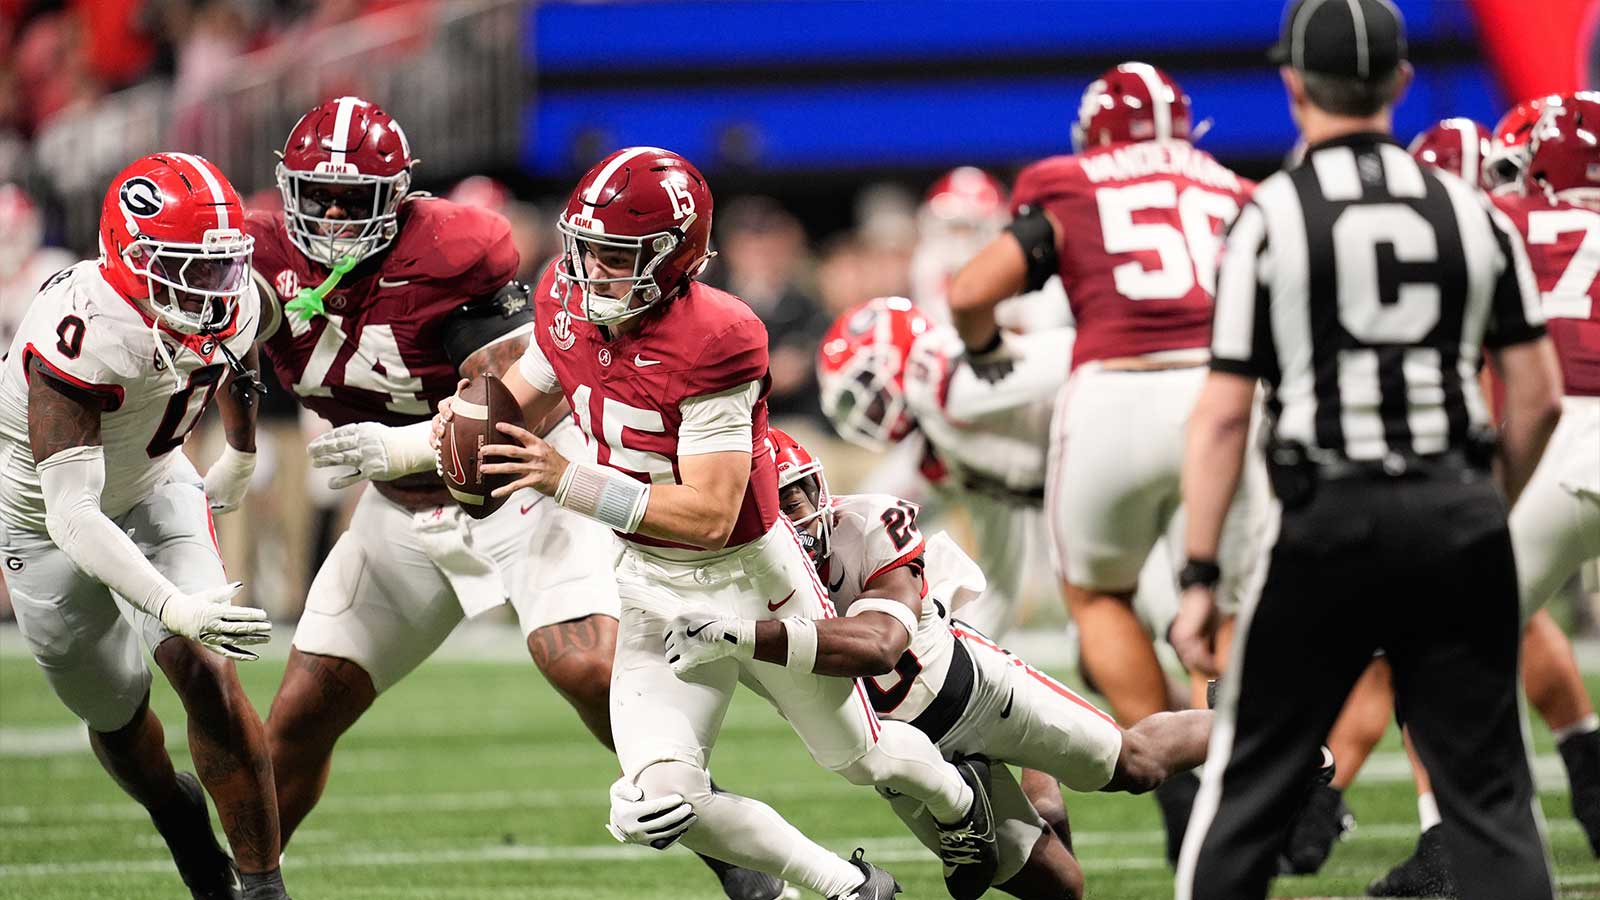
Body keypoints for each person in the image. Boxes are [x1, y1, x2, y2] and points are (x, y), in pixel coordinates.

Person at [428, 146, 1000, 900]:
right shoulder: (567, 301)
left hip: (750, 577)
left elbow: (708, 514)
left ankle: (960, 800)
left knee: (862, 758)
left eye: (615, 255)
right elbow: (527, 397)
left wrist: (567, 478)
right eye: (585, 248)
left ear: (672, 258)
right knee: (658, 800)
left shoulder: (717, 335)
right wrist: (456, 432)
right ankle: (848, 888)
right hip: (647, 582)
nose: (590, 270)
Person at [243, 99, 778, 900]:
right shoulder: (258, 256)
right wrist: (236, 449)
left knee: (590, 669)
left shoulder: (452, 252)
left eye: (353, 199)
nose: (333, 216)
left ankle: (732, 852)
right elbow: (214, 350)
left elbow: (516, 391)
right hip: (400, 510)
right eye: (317, 196)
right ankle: (247, 888)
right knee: (298, 716)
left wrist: (415, 442)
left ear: (398, 194)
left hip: (518, 485)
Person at [1170, 2, 1563, 898]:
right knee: (1491, 802)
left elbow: (1223, 415)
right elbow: (1538, 397)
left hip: (1327, 519)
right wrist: (1482, 502)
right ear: (1401, 81)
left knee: (1247, 794)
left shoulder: (1271, 214)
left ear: (1293, 85)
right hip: (1455, 506)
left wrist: (1198, 575)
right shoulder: (1473, 210)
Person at [682, 426, 1221, 900]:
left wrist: (744, 635)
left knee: (1137, 764)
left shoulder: (867, 524)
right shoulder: (723, 589)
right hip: (905, 763)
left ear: (819, 492)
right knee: (1061, 887)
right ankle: (986, 794)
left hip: (978, 692)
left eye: (792, 503)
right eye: (768, 515)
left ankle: (1252, 720)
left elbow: (881, 644)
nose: (789, 526)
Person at [947, 61, 1260, 864]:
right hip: (1224, 396)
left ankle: (1176, 776)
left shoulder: (1069, 180)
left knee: (1099, 596)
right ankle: (1250, 761)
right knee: (1226, 604)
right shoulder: (1236, 190)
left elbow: (971, 292)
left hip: (1113, 396)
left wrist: (985, 352)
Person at [0, 153, 288, 899]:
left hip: (158, 486)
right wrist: (169, 604)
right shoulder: (80, 330)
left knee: (207, 672)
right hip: (45, 521)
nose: (212, 289)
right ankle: (172, 810)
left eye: (220, 266)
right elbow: (72, 514)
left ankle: (263, 889)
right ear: (130, 257)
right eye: (189, 268)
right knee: (116, 715)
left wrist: (242, 450)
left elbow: (243, 343)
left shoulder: (224, 296)